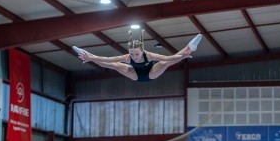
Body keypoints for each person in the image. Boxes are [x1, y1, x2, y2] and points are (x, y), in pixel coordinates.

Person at [73, 30, 202, 82]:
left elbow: (168, 59)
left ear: (142, 51)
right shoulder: (127, 57)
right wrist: (91, 58)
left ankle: (190, 47)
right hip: (135, 75)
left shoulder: (149, 55)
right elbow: (107, 59)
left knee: (165, 63)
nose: (134, 56)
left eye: (136, 54)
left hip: (151, 73)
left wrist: (182, 57)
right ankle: (85, 54)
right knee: (113, 65)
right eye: (131, 53)